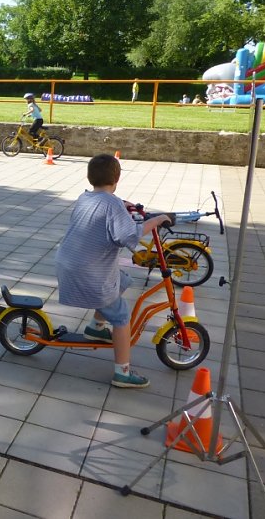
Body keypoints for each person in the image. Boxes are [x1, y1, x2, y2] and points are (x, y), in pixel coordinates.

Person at [56, 154, 170, 389]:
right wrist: (157, 220)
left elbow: (107, 205)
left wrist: (124, 205)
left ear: (90, 178)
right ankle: (123, 372)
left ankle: (95, 328)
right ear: (117, 178)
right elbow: (128, 235)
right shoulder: (113, 205)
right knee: (121, 317)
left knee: (122, 281)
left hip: (69, 263)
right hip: (88, 273)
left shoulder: (85, 197)